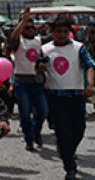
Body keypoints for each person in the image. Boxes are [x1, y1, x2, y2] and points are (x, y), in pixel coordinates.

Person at [36, 17, 95, 180]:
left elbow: (90, 65)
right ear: (52, 32)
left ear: (69, 32)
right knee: (63, 133)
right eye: (58, 31)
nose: (61, 35)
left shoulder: (79, 48)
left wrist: (89, 85)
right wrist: (40, 68)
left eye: (64, 31)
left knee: (79, 130)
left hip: (76, 97)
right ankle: (70, 167)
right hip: (56, 98)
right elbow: (38, 70)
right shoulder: (45, 49)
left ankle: (67, 151)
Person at [8, 8, 49, 152]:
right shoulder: (19, 42)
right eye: (27, 27)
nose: (30, 29)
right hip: (22, 83)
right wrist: (24, 20)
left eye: (33, 27)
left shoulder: (39, 41)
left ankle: (36, 131)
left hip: (37, 82)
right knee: (25, 113)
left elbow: (54, 38)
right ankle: (29, 139)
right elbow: (13, 37)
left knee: (43, 111)